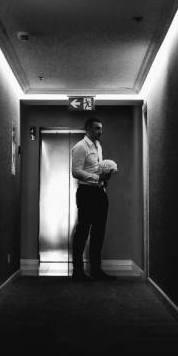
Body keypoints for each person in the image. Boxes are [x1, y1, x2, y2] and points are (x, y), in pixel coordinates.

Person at [70, 117, 116, 281]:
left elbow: (96, 168)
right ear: (88, 129)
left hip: (99, 193)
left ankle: (96, 270)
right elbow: (75, 171)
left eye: (101, 128)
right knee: (83, 232)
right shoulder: (80, 147)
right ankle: (78, 272)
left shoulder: (98, 146)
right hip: (86, 193)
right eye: (97, 128)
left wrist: (105, 178)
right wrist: (97, 178)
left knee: (99, 233)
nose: (100, 131)